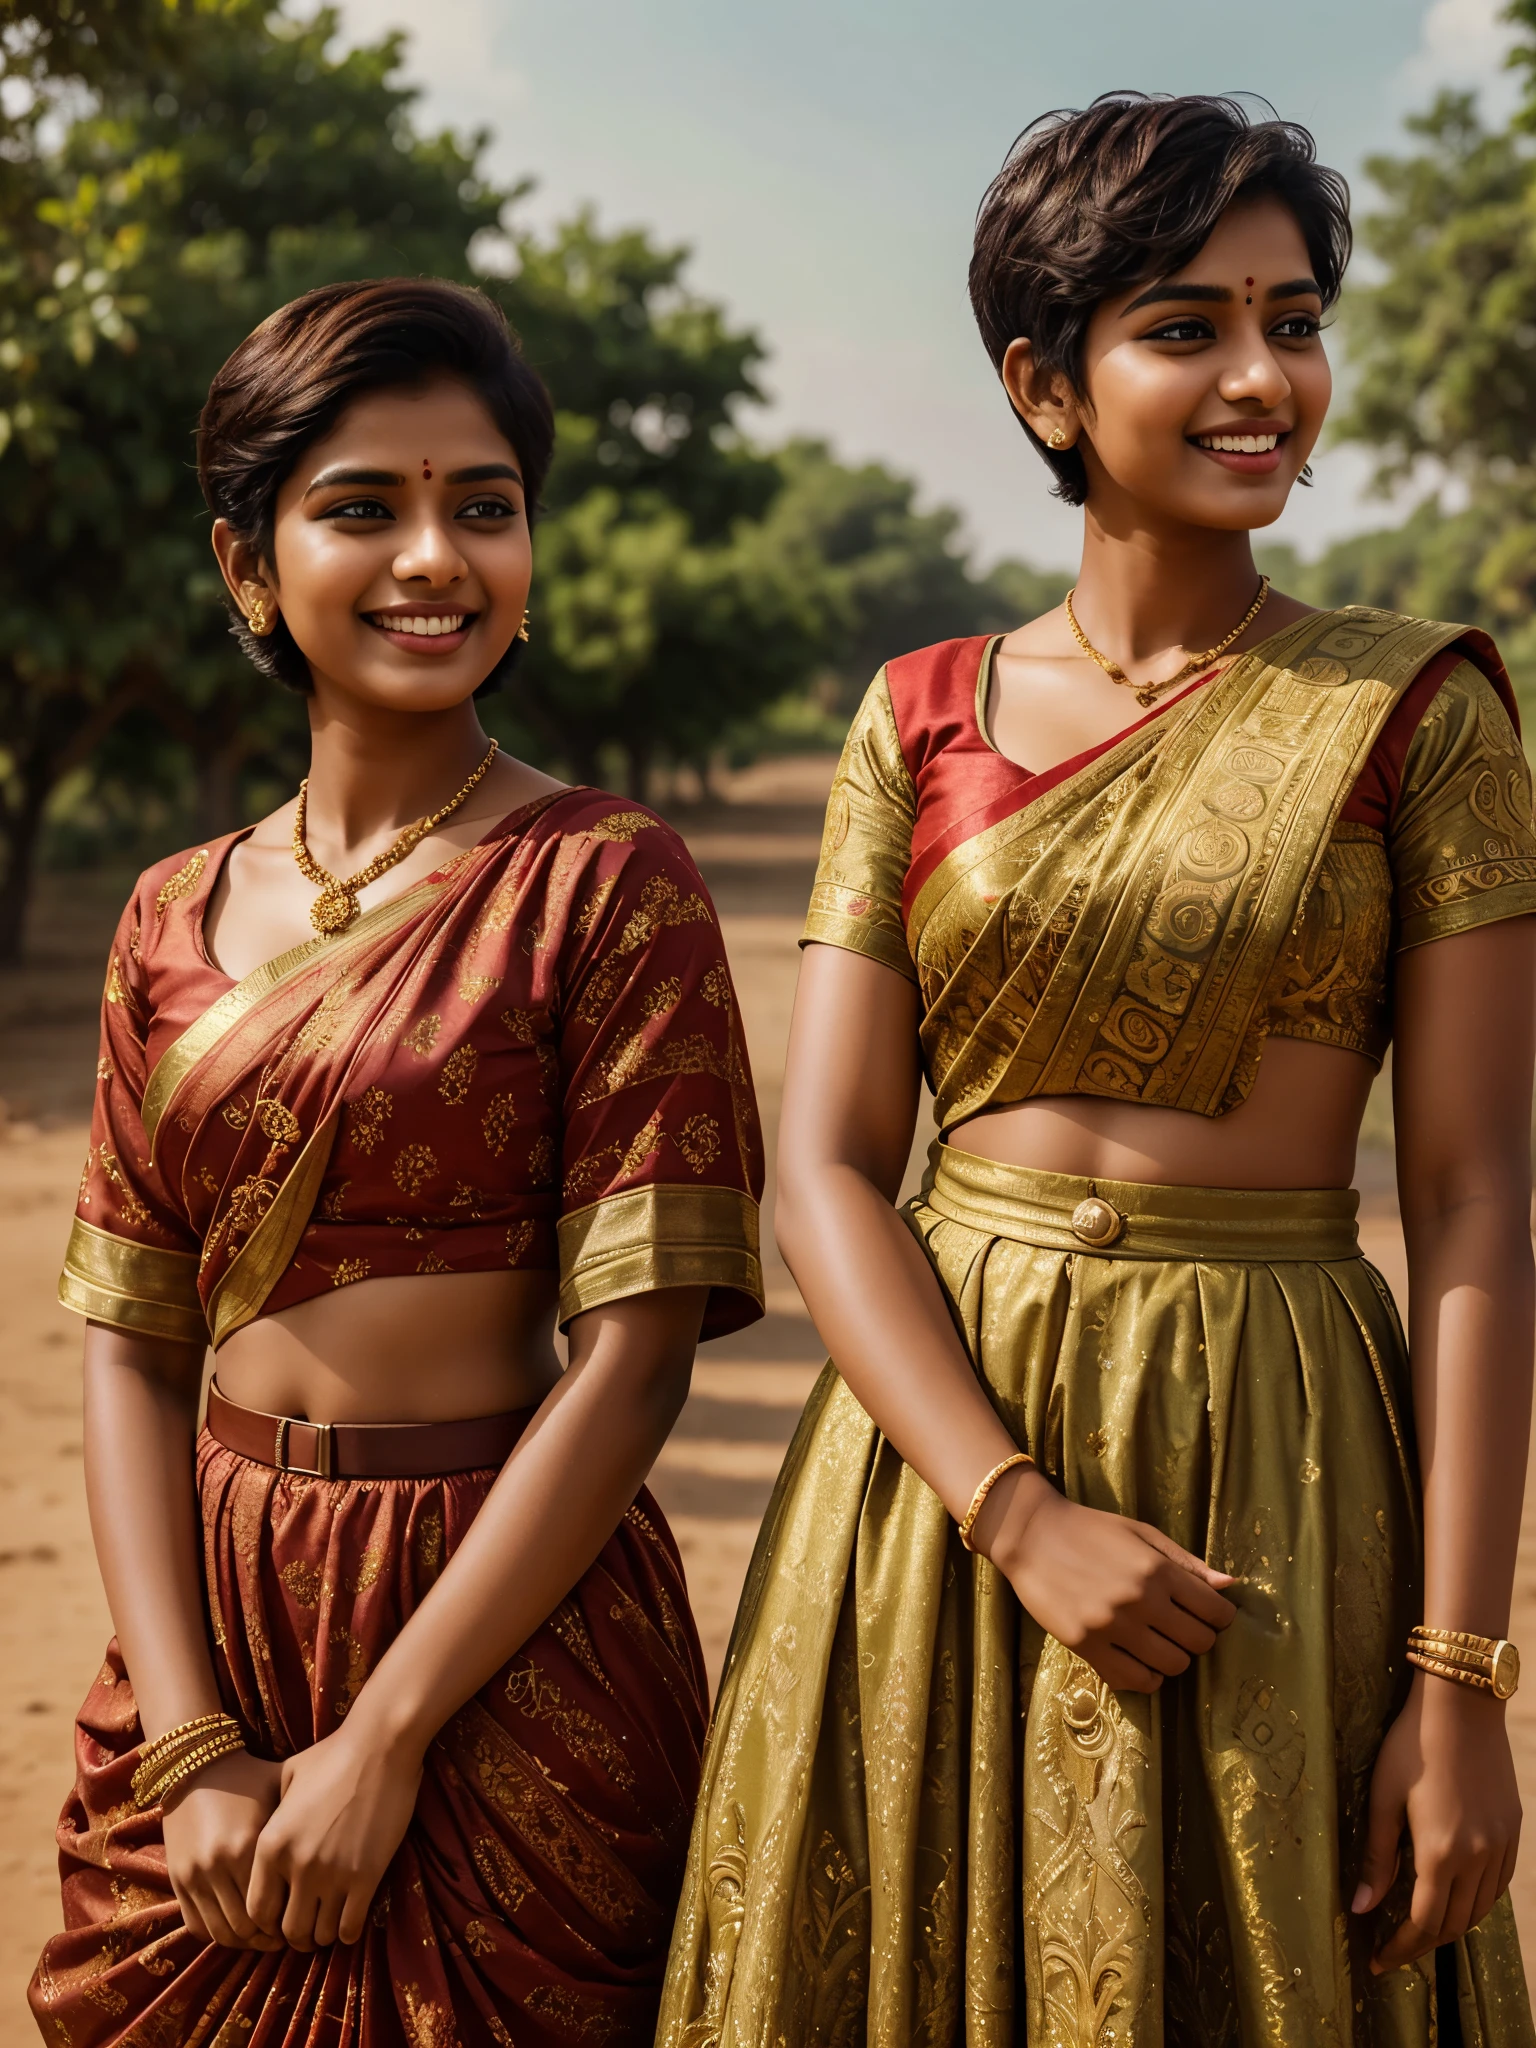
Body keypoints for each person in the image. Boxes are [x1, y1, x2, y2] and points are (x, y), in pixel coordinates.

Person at [659, 94, 1536, 2046]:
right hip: (947, 1469)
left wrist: (1461, 1675)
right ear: (1044, 382)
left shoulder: (1421, 714)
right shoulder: (919, 719)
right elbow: (826, 1170)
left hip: (1286, 1447)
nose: (1262, 377)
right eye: (1186, 324)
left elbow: (1474, 1201)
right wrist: (1015, 1509)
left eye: (1294, 319)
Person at [29, 277, 764, 2048]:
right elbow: (132, 1348)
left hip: (510, 1626)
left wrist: (386, 1740)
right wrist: (195, 1748)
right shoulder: (166, 918)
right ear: (246, 564)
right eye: (364, 507)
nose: (436, 557)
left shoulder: (607, 880)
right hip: (215, 1607)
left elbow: (637, 1358)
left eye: (484, 507)